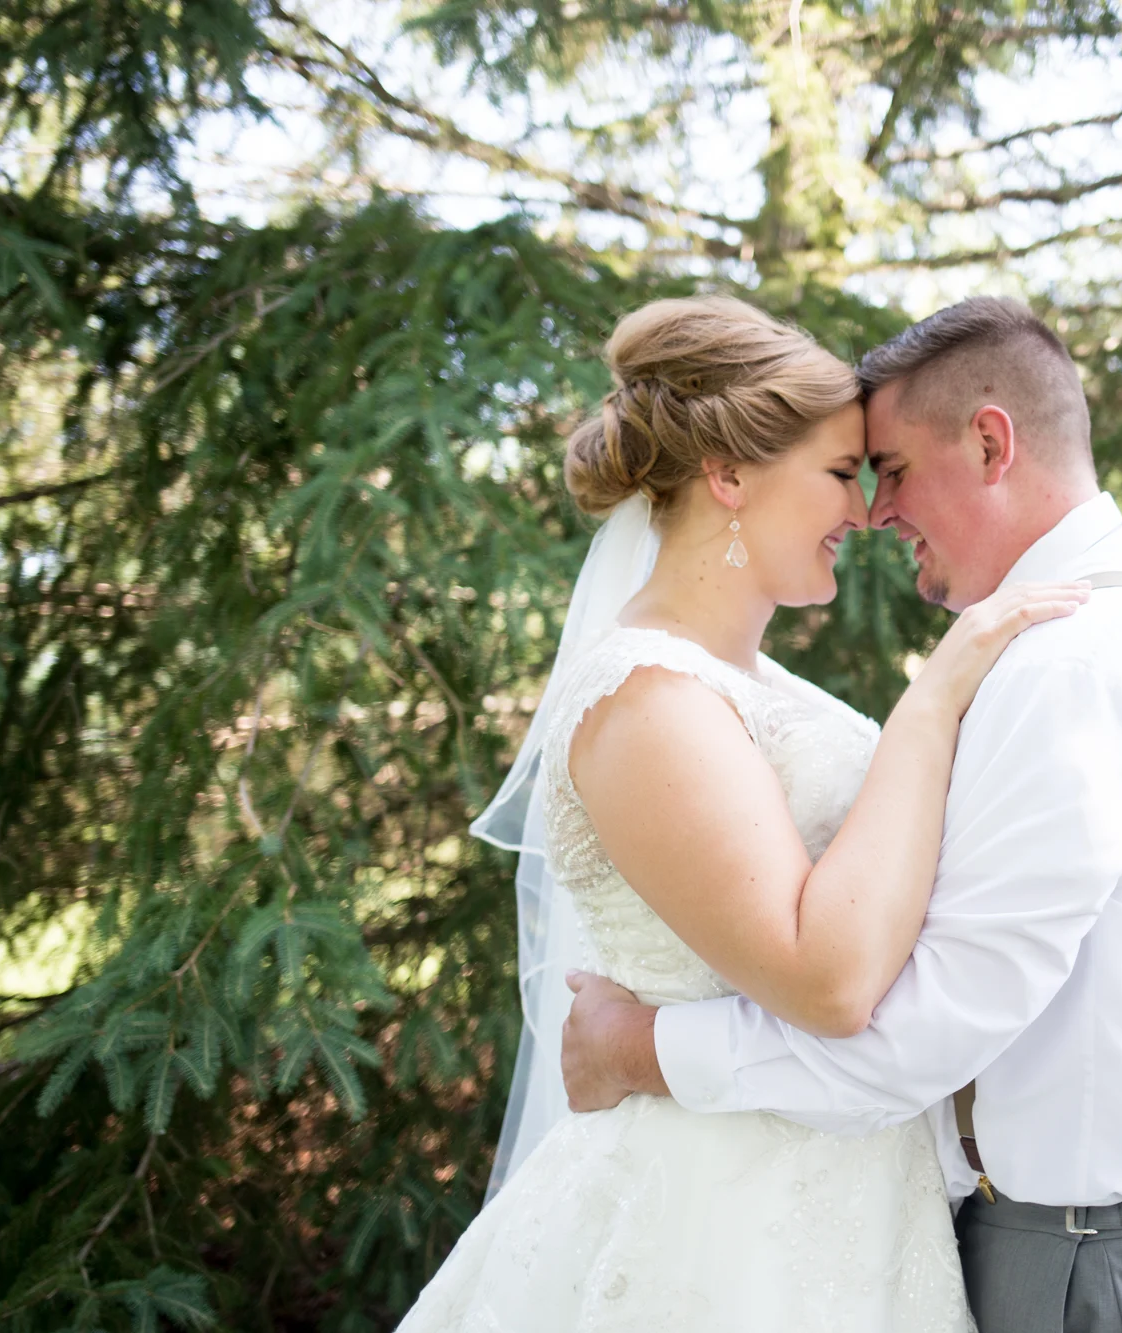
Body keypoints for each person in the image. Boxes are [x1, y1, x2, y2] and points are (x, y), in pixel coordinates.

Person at [561, 297, 1122, 1332]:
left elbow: (915, 1029)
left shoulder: (1072, 660)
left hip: (1117, 1267)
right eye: (847, 475)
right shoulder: (1067, 632)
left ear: (988, 441)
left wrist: (639, 1048)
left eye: (885, 470)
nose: (872, 512)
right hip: (1004, 1240)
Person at [394, 295, 1085, 1333]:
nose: (860, 512)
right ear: (727, 476)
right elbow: (827, 976)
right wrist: (933, 701)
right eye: (835, 473)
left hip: (848, 1217)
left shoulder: (754, 688)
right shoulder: (647, 702)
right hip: (715, 1239)